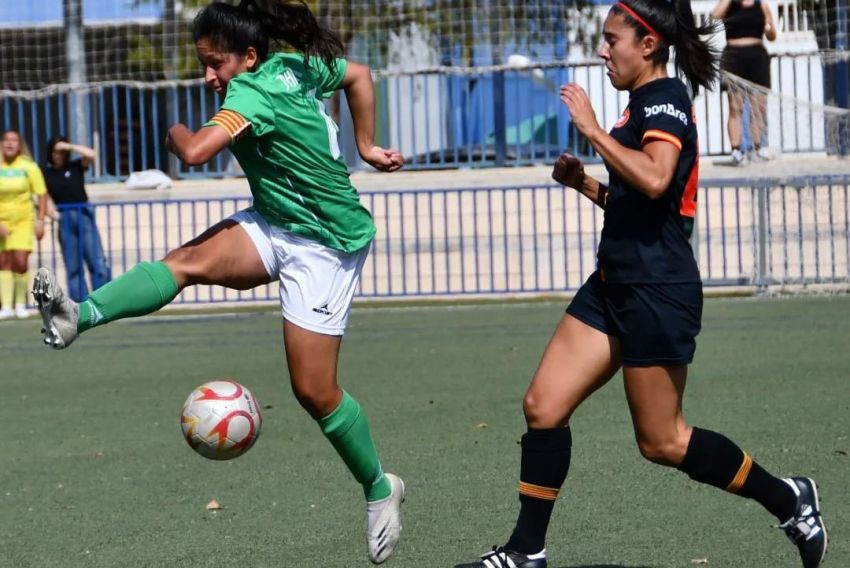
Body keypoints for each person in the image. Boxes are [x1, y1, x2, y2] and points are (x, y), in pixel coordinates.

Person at [454, 1, 826, 567]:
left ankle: (789, 498)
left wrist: (593, 132)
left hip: (658, 291)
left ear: (647, 44)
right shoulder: (641, 104)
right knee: (543, 406)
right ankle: (526, 552)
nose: (603, 50)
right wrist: (584, 183)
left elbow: (654, 179)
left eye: (611, 40)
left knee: (662, 441)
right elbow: (640, 202)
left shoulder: (665, 99)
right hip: (614, 284)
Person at [32, 0, 406, 564]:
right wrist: (368, 144)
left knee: (314, 391)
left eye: (215, 64)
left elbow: (198, 151)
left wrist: (173, 130)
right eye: (203, 64)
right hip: (276, 220)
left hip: (326, 245)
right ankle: (76, 316)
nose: (208, 76)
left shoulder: (252, 91)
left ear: (249, 56)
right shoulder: (292, 63)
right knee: (185, 263)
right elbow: (358, 74)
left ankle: (381, 487)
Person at [42, 136, 112, 302]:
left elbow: (92, 155)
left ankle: (105, 300)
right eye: (54, 152)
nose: (57, 155)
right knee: (73, 266)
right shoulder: (46, 173)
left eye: (60, 152)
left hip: (83, 215)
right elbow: (41, 195)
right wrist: (51, 211)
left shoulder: (75, 166)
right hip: (64, 217)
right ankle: (81, 304)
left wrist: (69, 145)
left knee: (97, 261)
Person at [712, 0, 777, 165]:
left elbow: (772, 36)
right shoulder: (729, 5)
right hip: (733, 57)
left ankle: (758, 148)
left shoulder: (761, 5)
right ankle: (736, 151)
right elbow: (714, 16)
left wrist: (769, 30)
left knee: (759, 107)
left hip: (757, 56)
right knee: (735, 107)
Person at [0, 130, 48, 320]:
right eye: (6, 140)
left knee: (20, 261)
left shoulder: (29, 167)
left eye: (14, 141)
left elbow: (41, 193)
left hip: (22, 222)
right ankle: (6, 306)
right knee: (3, 262)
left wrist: (40, 220)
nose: (10, 144)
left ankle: (20, 304)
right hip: (2, 222)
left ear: (20, 145)